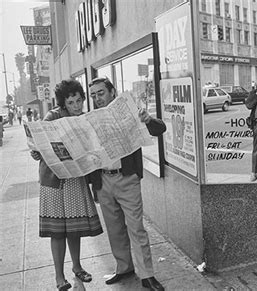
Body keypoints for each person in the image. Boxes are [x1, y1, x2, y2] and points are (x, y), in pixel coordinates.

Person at [87, 77, 166, 291]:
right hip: (103, 179)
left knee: (136, 228)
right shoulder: (89, 119)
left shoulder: (130, 112)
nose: (97, 98)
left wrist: (148, 119)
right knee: (114, 229)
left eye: (100, 93)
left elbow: (160, 129)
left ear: (112, 92)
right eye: (93, 95)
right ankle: (124, 268)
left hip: (126, 177)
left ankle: (147, 275)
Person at [30, 79, 103, 290]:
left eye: (79, 101)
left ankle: (77, 267)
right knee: (57, 231)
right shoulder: (52, 116)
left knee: (74, 227)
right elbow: (38, 146)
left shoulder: (84, 119)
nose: (77, 106)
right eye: (71, 103)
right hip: (53, 182)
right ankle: (58, 276)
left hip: (75, 178)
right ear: (63, 103)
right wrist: (37, 151)